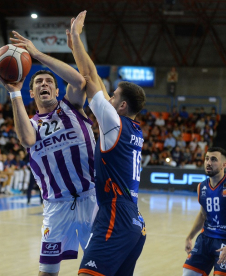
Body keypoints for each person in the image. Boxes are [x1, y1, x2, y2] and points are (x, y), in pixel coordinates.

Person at [0, 29, 97, 276]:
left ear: (56, 90)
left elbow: (79, 81)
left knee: (100, 268)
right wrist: (14, 91)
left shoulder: (72, 106)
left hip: (92, 199)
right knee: (47, 272)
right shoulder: (30, 125)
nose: (44, 84)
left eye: (49, 82)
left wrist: (37, 54)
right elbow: (26, 139)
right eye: (39, 82)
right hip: (56, 206)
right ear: (32, 93)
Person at [70, 11, 146, 276]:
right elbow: (99, 86)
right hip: (135, 220)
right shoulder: (133, 129)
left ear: (122, 106)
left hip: (116, 214)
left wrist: (76, 37)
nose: (108, 100)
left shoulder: (115, 124)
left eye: (113, 98)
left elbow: (89, 77)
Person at [183, 147, 226, 276]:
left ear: (224, 165)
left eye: (214, 159)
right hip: (205, 239)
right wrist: (189, 237)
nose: (208, 162)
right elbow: (203, 215)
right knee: (188, 274)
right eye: (207, 159)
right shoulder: (201, 186)